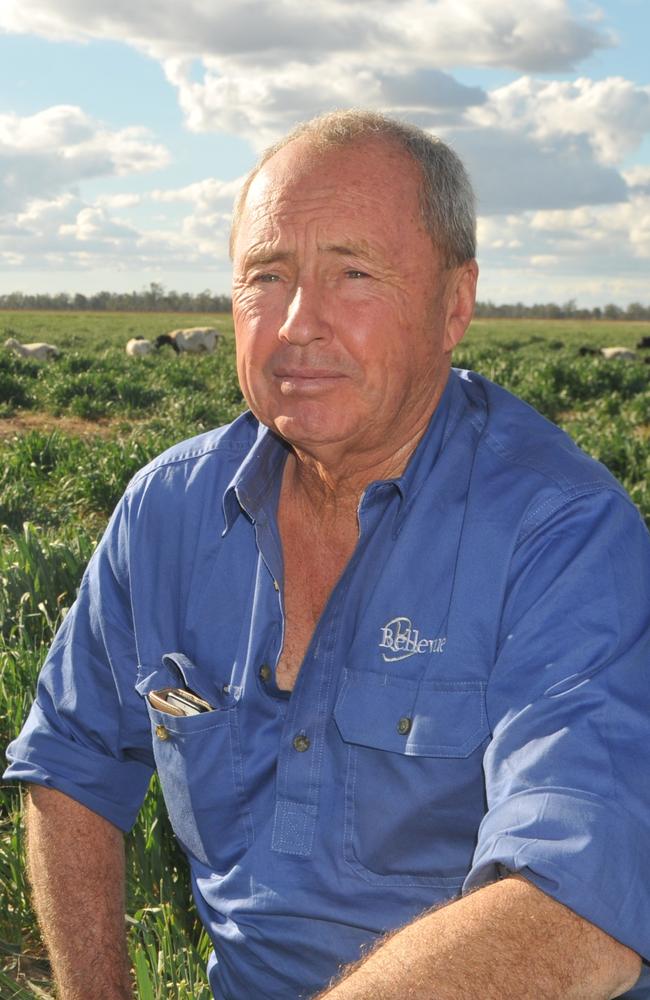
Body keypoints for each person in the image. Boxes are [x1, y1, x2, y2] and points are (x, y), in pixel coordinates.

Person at [5, 109, 650, 1000]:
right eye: (266, 276)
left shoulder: (562, 533)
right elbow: (69, 766)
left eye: (353, 273)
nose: (299, 324)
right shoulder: (171, 510)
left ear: (454, 303)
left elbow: (579, 916)